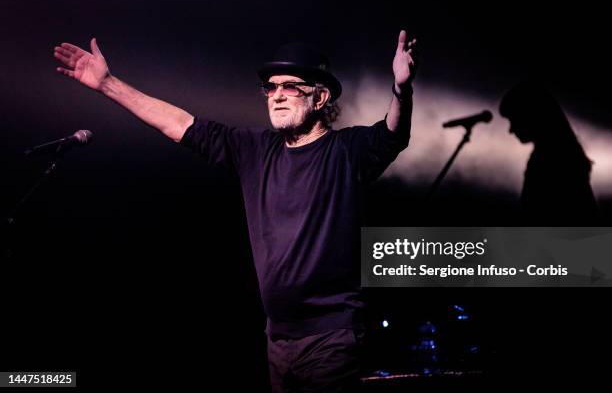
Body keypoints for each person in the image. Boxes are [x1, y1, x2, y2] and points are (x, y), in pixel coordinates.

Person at [54, 31, 417, 392]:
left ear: (320, 97)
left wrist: (402, 89)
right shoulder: (254, 150)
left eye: (289, 87)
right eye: (270, 88)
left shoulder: (346, 151)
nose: (275, 96)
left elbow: (392, 134)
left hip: (331, 339)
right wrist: (107, 84)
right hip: (277, 341)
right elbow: (179, 124)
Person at [499, 80, 598, 225]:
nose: (511, 130)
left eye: (514, 119)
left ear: (531, 115)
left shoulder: (549, 158)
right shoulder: (562, 153)